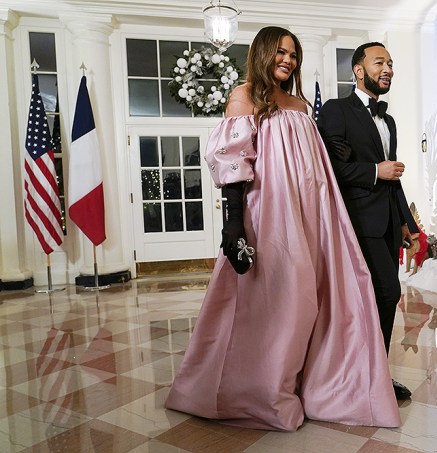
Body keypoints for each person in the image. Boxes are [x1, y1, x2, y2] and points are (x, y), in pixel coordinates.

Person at [165, 27, 400, 432]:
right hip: (270, 214)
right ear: (261, 53)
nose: (288, 60)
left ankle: (313, 383)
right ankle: (264, 387)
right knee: (280, 301)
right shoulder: (244, 97)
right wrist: (235, 222)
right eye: (280, 52)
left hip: (313, 214)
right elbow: (234, 163)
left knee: (317, 298)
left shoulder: (300, 105)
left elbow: (317, 163)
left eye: (293, 54)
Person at [317, 42, 415, 400]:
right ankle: (365, 376)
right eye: (379, 62)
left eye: (390, 62)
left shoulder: (388, 119)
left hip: (388, 222)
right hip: (357, 221)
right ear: (359, 70)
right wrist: (376, 170)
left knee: (380, 297)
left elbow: (394, 176)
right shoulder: (335, 110)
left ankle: (373, 374)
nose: (387, 68)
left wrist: (406, 223)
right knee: (387, 293)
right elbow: (330, 169)